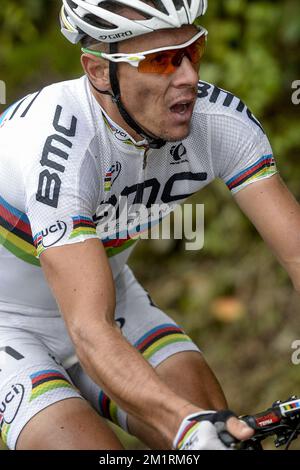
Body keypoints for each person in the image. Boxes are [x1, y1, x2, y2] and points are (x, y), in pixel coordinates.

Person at [0, 0, 299, 451]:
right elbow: (89, 330)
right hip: (11, 325)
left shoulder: (220, 122)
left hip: (112, 300)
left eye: (191, 52)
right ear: (99, 72)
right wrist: (185, 424)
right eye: (160, 61)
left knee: (223, 436)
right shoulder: (60, 147)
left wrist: (201, 424)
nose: (188, 78)